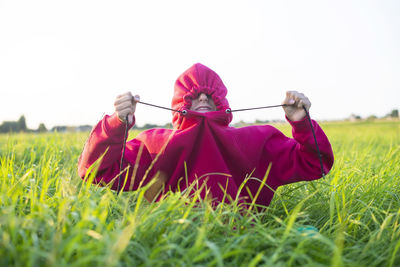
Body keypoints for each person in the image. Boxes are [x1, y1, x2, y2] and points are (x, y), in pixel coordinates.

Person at [78, 63, 334, 210]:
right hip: (172, 245)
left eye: (209, 95)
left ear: (220, 100)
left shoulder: (256, 140)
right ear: (179, 102)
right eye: (193, 94)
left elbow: (315, 162)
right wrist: (116, 122)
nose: (202, 97)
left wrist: (301, 122)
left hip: (243, 244)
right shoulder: (155, 143)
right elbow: (94, 171)